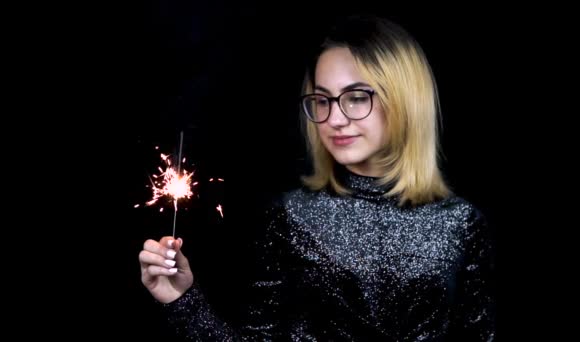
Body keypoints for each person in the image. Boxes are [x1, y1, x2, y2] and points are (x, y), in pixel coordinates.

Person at [139, 14, 495, 341]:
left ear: (404, 100)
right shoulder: (291, 216)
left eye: (356, 98)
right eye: (322, 101)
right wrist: (181, 299)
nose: (334, 119)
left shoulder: (462, 224)